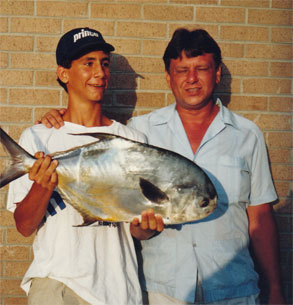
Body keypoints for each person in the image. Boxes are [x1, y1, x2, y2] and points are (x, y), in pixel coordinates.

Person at [38, 28, 285, 305]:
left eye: (202, 68)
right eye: (181, 71)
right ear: (168, 77)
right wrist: (58, 118)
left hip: (234, 289)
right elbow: (106, 165)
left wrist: (274, 288)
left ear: (217, 74)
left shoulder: (247, 135)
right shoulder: (141, 131)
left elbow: (260, 218)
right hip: (163, 292)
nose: (192, 79)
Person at [6, 27, 146, 305]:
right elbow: (24, 226)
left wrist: (148, 229)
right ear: (64, 74)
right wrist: (42, 187)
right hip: (56, 283)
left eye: (104, 63)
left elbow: (136, 227)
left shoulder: (133, 139)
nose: (100, 72)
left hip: (116, 288)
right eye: (88, 63)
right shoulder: (37, 137)